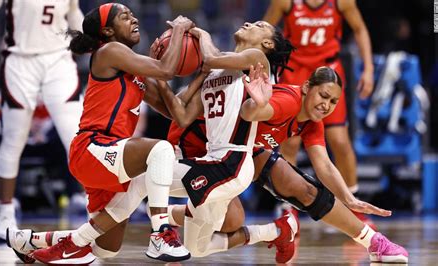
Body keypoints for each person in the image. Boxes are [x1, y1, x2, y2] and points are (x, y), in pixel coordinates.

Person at [8, 20, 297, 264]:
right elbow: (181, 115)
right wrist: (156, 74)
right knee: (197, 246)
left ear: (268, 45)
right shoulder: (215, 74)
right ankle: (276, 231)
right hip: (212, 162)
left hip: (230, 163)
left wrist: (199, 34)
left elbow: (209, 57)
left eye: (259, 26)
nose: (250, 23)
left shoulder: (256, 60)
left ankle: (80, 241)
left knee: (146, 177)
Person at [168, 66, 408, 263]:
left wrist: (350, 199)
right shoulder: (288, 102)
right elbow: (248, 113)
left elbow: (324, 165)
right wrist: (258, 99)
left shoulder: (312, 122)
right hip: (203, 147)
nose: (326, 105)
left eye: (333, 101)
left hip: (243, 152)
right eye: (323, 96)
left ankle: (374, 242)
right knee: (230, 222)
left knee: (307, 191)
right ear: (306, 88)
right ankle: (166, 218)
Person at [23, 3, 195, 264]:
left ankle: (32, 241)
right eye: (124, 17)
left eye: (132, 14)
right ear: (108, 31)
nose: (134, 18)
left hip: (110, 156)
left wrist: (176, 76)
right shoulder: (110, 51)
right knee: (161, 149)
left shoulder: (134, 72)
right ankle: (160, 232)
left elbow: (175, 113)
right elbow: (166, 69)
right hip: (93, 147)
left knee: (105, 249)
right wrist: (180, 31)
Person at [0, 0, 85, 240]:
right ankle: (5, 213)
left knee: (76, 136)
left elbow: (73, 13)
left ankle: (94, 206)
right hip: (20, 61)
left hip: (59, 60)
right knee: (14, 139)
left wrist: (87, 40)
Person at [263, 0, 375, 226]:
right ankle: (287, 207)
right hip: (295, 71)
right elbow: (264, 30)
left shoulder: (341, 2)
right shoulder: (285, 2)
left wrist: (369, 69)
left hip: (329, 73)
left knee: (340, 141)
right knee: (290, 142)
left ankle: (354, 204)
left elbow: (360, 28)